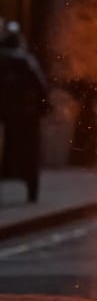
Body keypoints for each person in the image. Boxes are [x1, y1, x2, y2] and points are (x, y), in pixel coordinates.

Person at [0, 20, 49, 201]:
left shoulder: (15, 59)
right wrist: (43, 106)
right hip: (25, 115)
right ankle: (31, 188)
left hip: (10, 114)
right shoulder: (25, 59)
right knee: (28, 153)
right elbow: (40, 85)